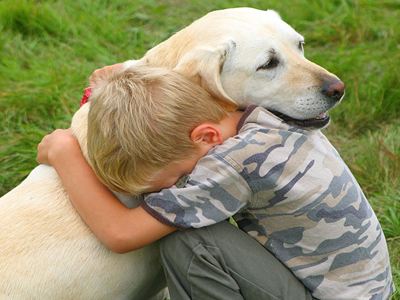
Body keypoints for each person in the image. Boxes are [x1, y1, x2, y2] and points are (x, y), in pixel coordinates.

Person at [37, 65, 393, 300]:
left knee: (190, 242)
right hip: (358, 290)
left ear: (206, 136)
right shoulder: (259, 113)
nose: (174, 189)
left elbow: (121, 234)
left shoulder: (232, 164)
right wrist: (126, 79)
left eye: (177, 179)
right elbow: (182, 87)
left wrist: (64, 153)